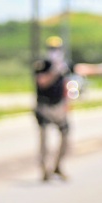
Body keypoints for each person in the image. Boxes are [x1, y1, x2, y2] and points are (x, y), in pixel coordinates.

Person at [33, 36, 71, 181]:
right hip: (44, 107)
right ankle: (44, 170)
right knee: (44, 140)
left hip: (59, 106)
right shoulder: (42, 64)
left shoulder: (64, 65)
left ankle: (58, 166)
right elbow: (42, 82)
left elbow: (67, 83)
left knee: (66, 136)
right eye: (52, 49)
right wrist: (55, 71)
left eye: (57, 49)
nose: (55, 52)